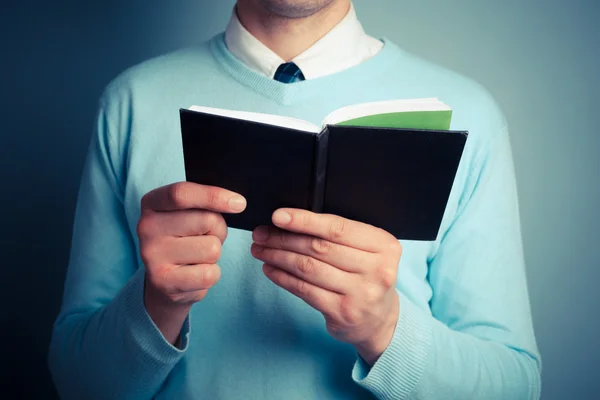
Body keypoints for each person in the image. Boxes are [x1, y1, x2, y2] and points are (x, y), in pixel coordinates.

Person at [48, 1, 542, 399]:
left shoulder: (469, 115)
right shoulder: (130, 102)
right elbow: (77, 383)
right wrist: (154, 304)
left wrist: (385, 329)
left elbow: (514, 384)